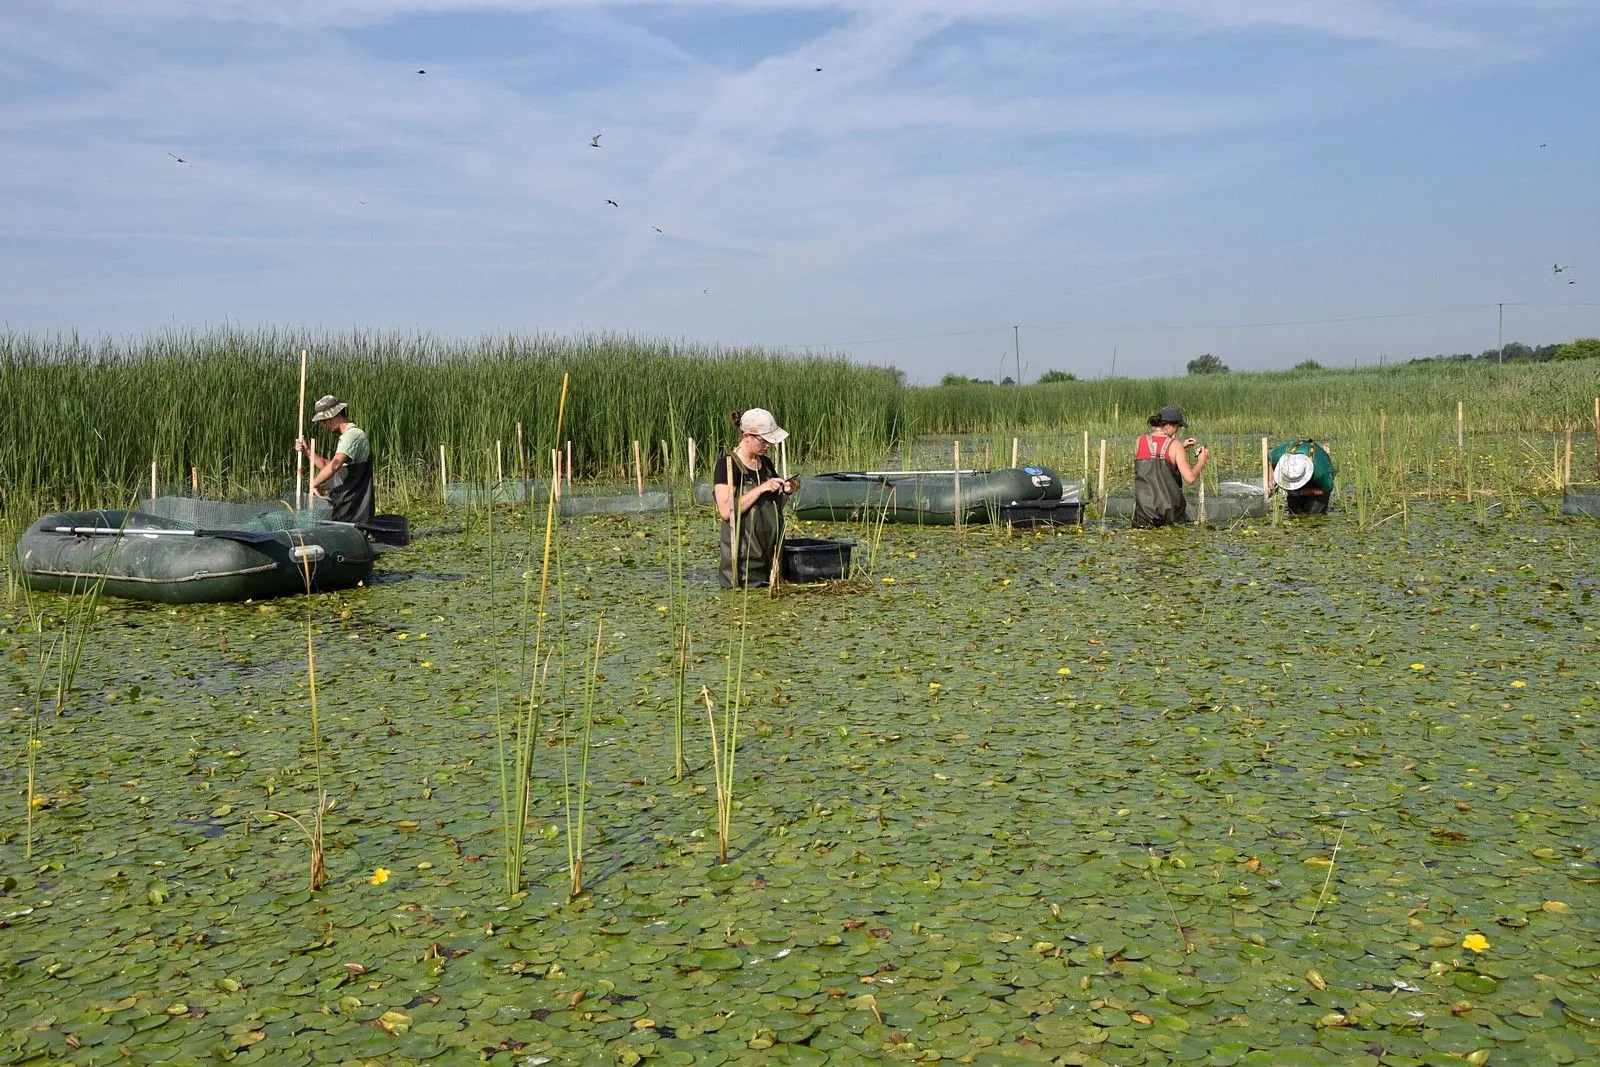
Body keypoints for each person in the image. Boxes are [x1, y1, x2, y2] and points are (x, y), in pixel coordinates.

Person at [713, 408, 799, 588]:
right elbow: (726, 511)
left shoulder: (766, 464)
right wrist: (761, 489)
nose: (768, 445)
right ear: (747, 436)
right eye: (764, 440)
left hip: (772, 557)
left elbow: (774, 508)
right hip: (743, 564)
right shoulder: (727, 465)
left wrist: (787, 491)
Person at [295, 395, 375, 525]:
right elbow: (329, 466)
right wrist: (307, 451)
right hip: (346, 503)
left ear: (335, 415)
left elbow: (335, 465)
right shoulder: (346, 437)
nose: (324, 425)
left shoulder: (353, 435)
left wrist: (314, 484)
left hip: (353, 507)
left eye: (324, 420)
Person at [1132, 404, 1208, 528]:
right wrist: (1201, 461)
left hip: (1144, 515)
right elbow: (1190, 478)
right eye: (1177, 426)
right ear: (1170, 425)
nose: (1177, 430)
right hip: (1170, 515)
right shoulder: (1175, 445)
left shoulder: (1139, 440)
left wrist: (1181, 447)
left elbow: (1153, 458)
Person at [1268, 438, 1336, 515]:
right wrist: (1271, 479)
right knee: (1294, 513)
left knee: (1314, 515)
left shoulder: (1321, 473)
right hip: (1297, 491)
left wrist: (1302, 493)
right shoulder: (1279, 455)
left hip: (1317, 485)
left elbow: (1326, 490)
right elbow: (1269, 458)